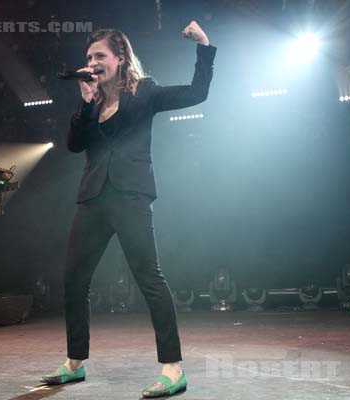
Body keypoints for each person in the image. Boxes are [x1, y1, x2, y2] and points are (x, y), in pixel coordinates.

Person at [41, 21, 216, 398]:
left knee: (149, 279)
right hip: (93, 197)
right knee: (74, 279)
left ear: (120, 59)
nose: (92, 62)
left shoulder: (144, 91)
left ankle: (173, 369)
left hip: (131, 195)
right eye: (89, 57)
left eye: (99, 55)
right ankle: (75, 362)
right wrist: (84, 102)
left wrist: (204, 45)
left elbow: (197, 92)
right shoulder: (92, 102)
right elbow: (73, 145)